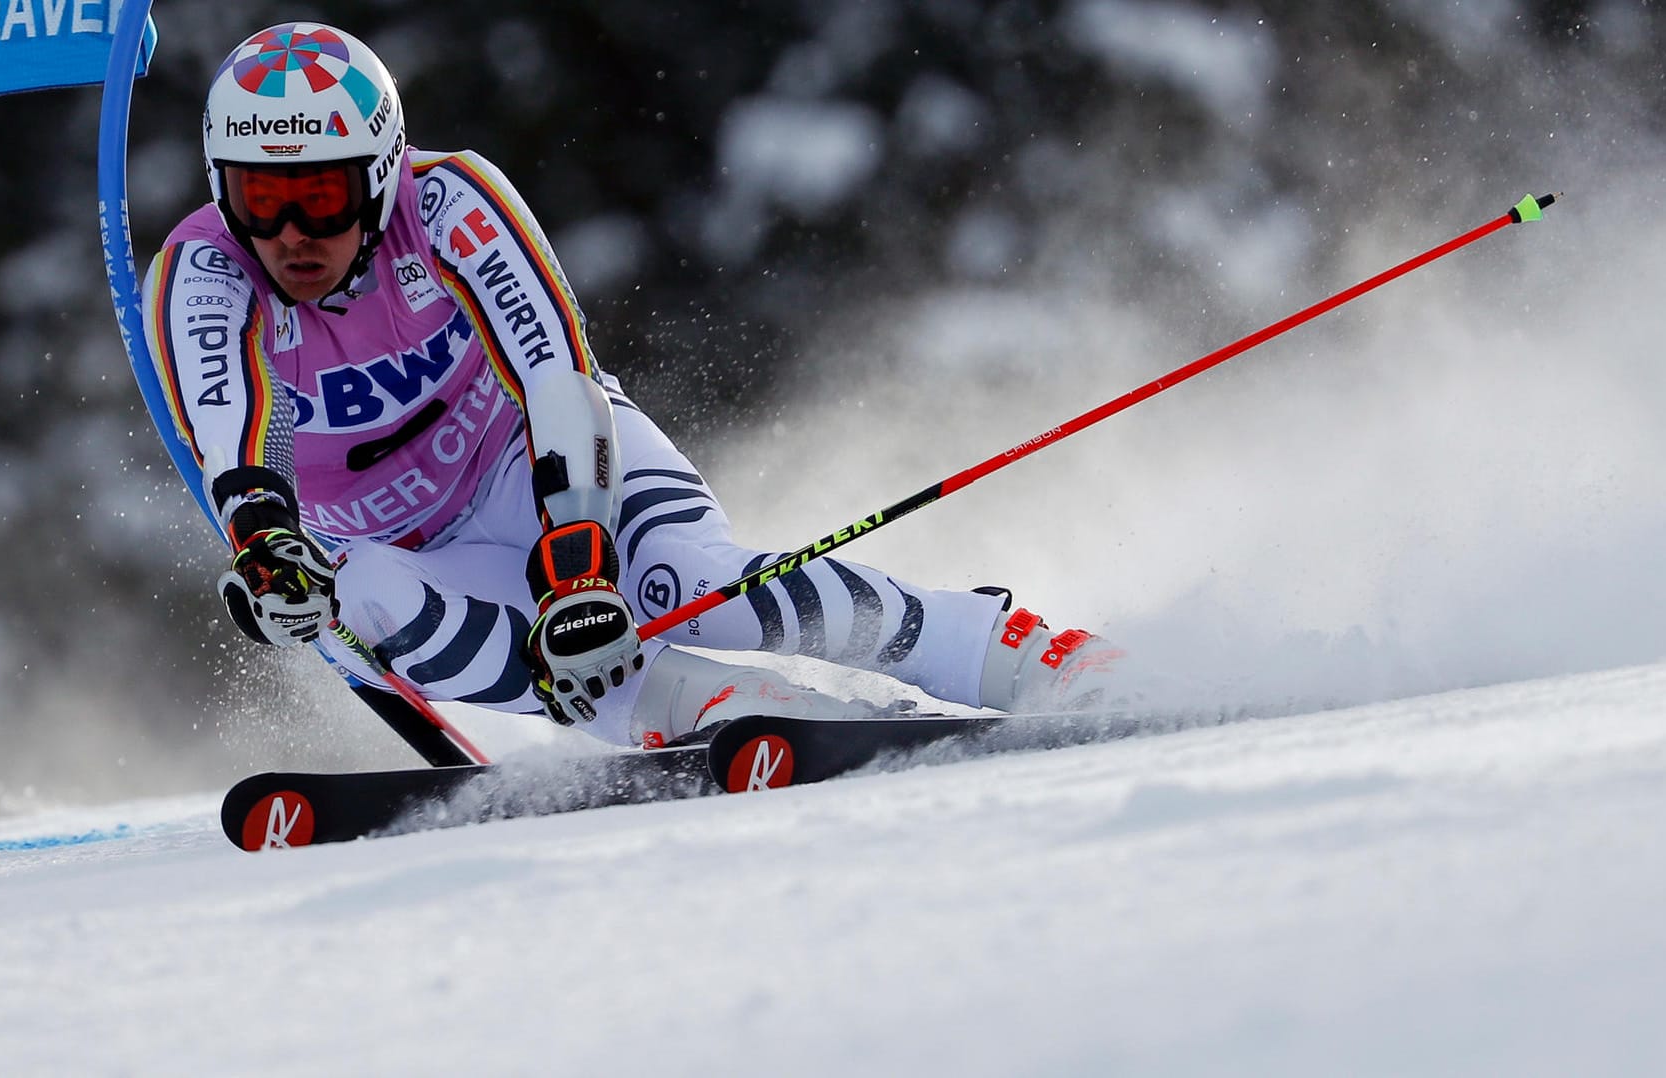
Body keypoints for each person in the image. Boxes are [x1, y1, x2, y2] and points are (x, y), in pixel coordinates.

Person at [142, 21, 1123, 750]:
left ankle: (1002, 648)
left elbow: (554, 375)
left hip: (535, 470)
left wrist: (576, 561)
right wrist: (270, 550)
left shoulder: (449, 203)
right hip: (400, 546)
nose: (289, 235)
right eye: (260, 199)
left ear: (382, 171)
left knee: (685, 586)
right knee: (339, 596)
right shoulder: (201, 274)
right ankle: (694, 708)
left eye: (319, 196)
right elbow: (235, 435)